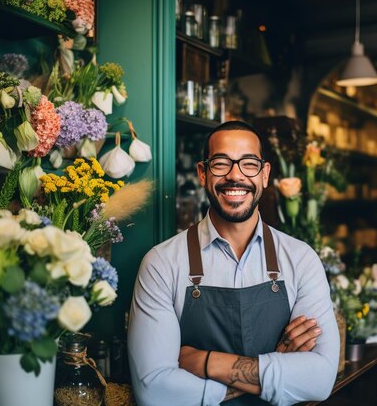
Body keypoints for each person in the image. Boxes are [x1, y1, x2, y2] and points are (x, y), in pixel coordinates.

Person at [128, 121, 339, 405]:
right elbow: (153, 391)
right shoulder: (162, 264)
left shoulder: (301, 259)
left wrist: (207, 363)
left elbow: (320, 379)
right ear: (203, 174)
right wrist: (276, 371)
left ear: (264, 175)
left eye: (249, 164)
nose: (235, 175)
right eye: (221, 163)